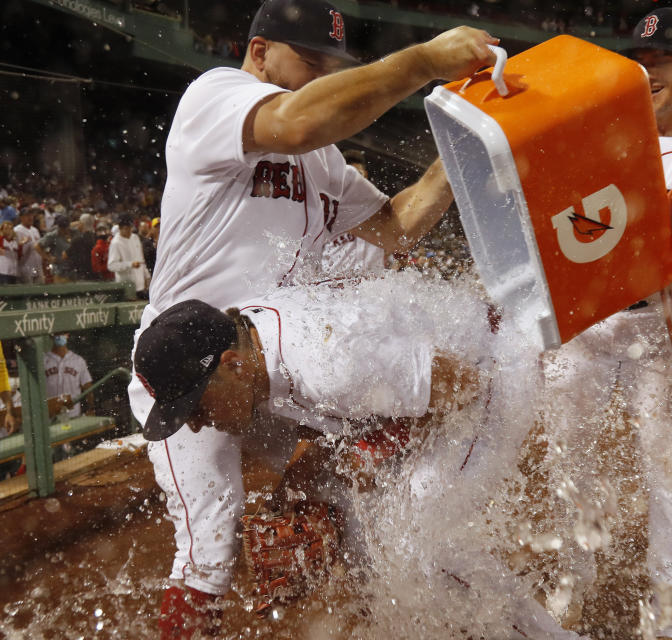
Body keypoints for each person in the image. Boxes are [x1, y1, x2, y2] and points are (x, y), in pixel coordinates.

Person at [123, 0, 498, 634]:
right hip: (197, 365)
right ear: (260, 50)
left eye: (331, 67)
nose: (321, 77)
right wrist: (425, 61)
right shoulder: (215, 96)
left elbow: (396, 227)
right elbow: (295, 123)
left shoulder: (321, 159)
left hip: (276, 361)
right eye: (310, 61)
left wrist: (464, 148)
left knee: (346, 512)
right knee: (210, 548)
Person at [540, 9, 672, 640]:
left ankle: (667, 606)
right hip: (587, 326)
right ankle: (575, 579)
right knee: (568, 463)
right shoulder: (600, 133)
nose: (649, 69)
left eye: (664, 58)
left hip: (660, 331)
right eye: (641, 57)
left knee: (667, 469)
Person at [319, 149, 387, 275]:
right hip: (333, 288)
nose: (354, 181)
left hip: (373, 288)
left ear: (365, 175)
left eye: (358, 174)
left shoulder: (381, 209)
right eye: (348, 178)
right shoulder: (328, 209)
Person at [44, 334, 94, 419]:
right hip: (49, 416)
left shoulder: (78, 360)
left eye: (63, 334)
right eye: (57, 333)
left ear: (67, 335)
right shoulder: (43, 360)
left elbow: (87, 386)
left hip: (73, 414)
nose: (60, 336)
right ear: (51, 336)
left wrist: (91, 408)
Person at [108, 213, 150, 297]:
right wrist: (130, 264)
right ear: (120, 228)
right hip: (126, 288)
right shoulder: (115, 243)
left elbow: (141, 260)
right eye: (126, 229)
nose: (129, 231)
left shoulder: (135, 238)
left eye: (130, 228)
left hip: (141, 286)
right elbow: (112, 266)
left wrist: (147, 277)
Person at [36, 214, 73, 283]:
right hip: (59, 269)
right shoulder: (53, 235)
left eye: (65, 227)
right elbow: (37, 246)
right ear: (59, 226)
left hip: (71, 268)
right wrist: (48, 258)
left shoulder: (73, 232)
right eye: (62, 227)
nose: (64, 229)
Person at [13, 206, 43, 284]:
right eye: (27, 216)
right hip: (25, 266)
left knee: (40, 291)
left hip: (37, 266)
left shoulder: (35, 230)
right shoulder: (17, 230)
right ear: (21, 217)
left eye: (31, 215)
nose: (30, 217)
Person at [65, 213, 97, 281]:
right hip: (95, 273)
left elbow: (65, 255)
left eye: (79, 223)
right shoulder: (96, 237)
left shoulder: (78, 239)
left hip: (82, 274)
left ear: (82, 224)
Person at [0, 220, 23, 285]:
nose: (9, 231)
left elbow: (19, 256)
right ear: (2, 230)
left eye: (10, 228)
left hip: (14, 272)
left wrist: (20, 245)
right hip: (3, 272)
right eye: (6, 228)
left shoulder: (15, 242)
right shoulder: (1, 239)